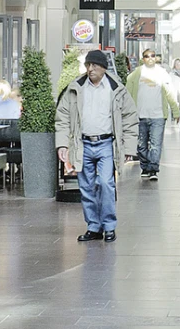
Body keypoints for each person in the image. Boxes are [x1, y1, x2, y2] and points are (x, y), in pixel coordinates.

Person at [55, 49, 140, 242]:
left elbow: (130, 118)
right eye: (87, 65)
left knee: (106, 184)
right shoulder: (76, 88)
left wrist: (128, 149)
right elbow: (62, 117)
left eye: (94, 65)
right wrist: (62, 145)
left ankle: (109, 226)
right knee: (86, 186)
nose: (90, 69)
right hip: (83, 143)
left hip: (106, 144)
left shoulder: (116, 89)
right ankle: (94, 227)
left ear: (103, 67)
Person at [129, 50, 175, 180]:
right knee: (141, 144)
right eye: (146, 56)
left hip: (158, 115)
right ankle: (145, 166)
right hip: (140, 115)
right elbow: (128, 92)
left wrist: (175, 110)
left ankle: (153, 169)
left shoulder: (162, 73)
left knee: (156, 144)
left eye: (153, 56)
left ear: (156, 58)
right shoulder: (136, 74)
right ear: (142, 59)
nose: (150, 58)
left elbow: (169, 92)